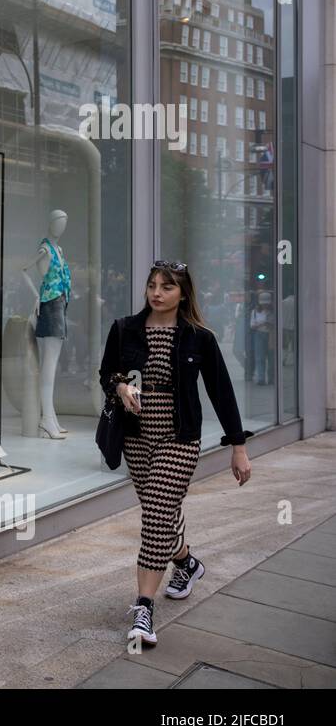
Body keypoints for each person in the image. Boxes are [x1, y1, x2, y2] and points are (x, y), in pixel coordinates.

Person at [98, 261, 253, 648]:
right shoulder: (124, 329)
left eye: (167, 287)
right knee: (161, 513)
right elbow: (107, 374)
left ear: (183, 294)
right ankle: (186, 563)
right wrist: (120, 388)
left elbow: (221, 391)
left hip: (180, 438)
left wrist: (238, 446)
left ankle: (143, 609)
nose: (157, 292)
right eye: (152, 285)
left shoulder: (198, 337)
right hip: (135, 438)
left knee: (154, 516)